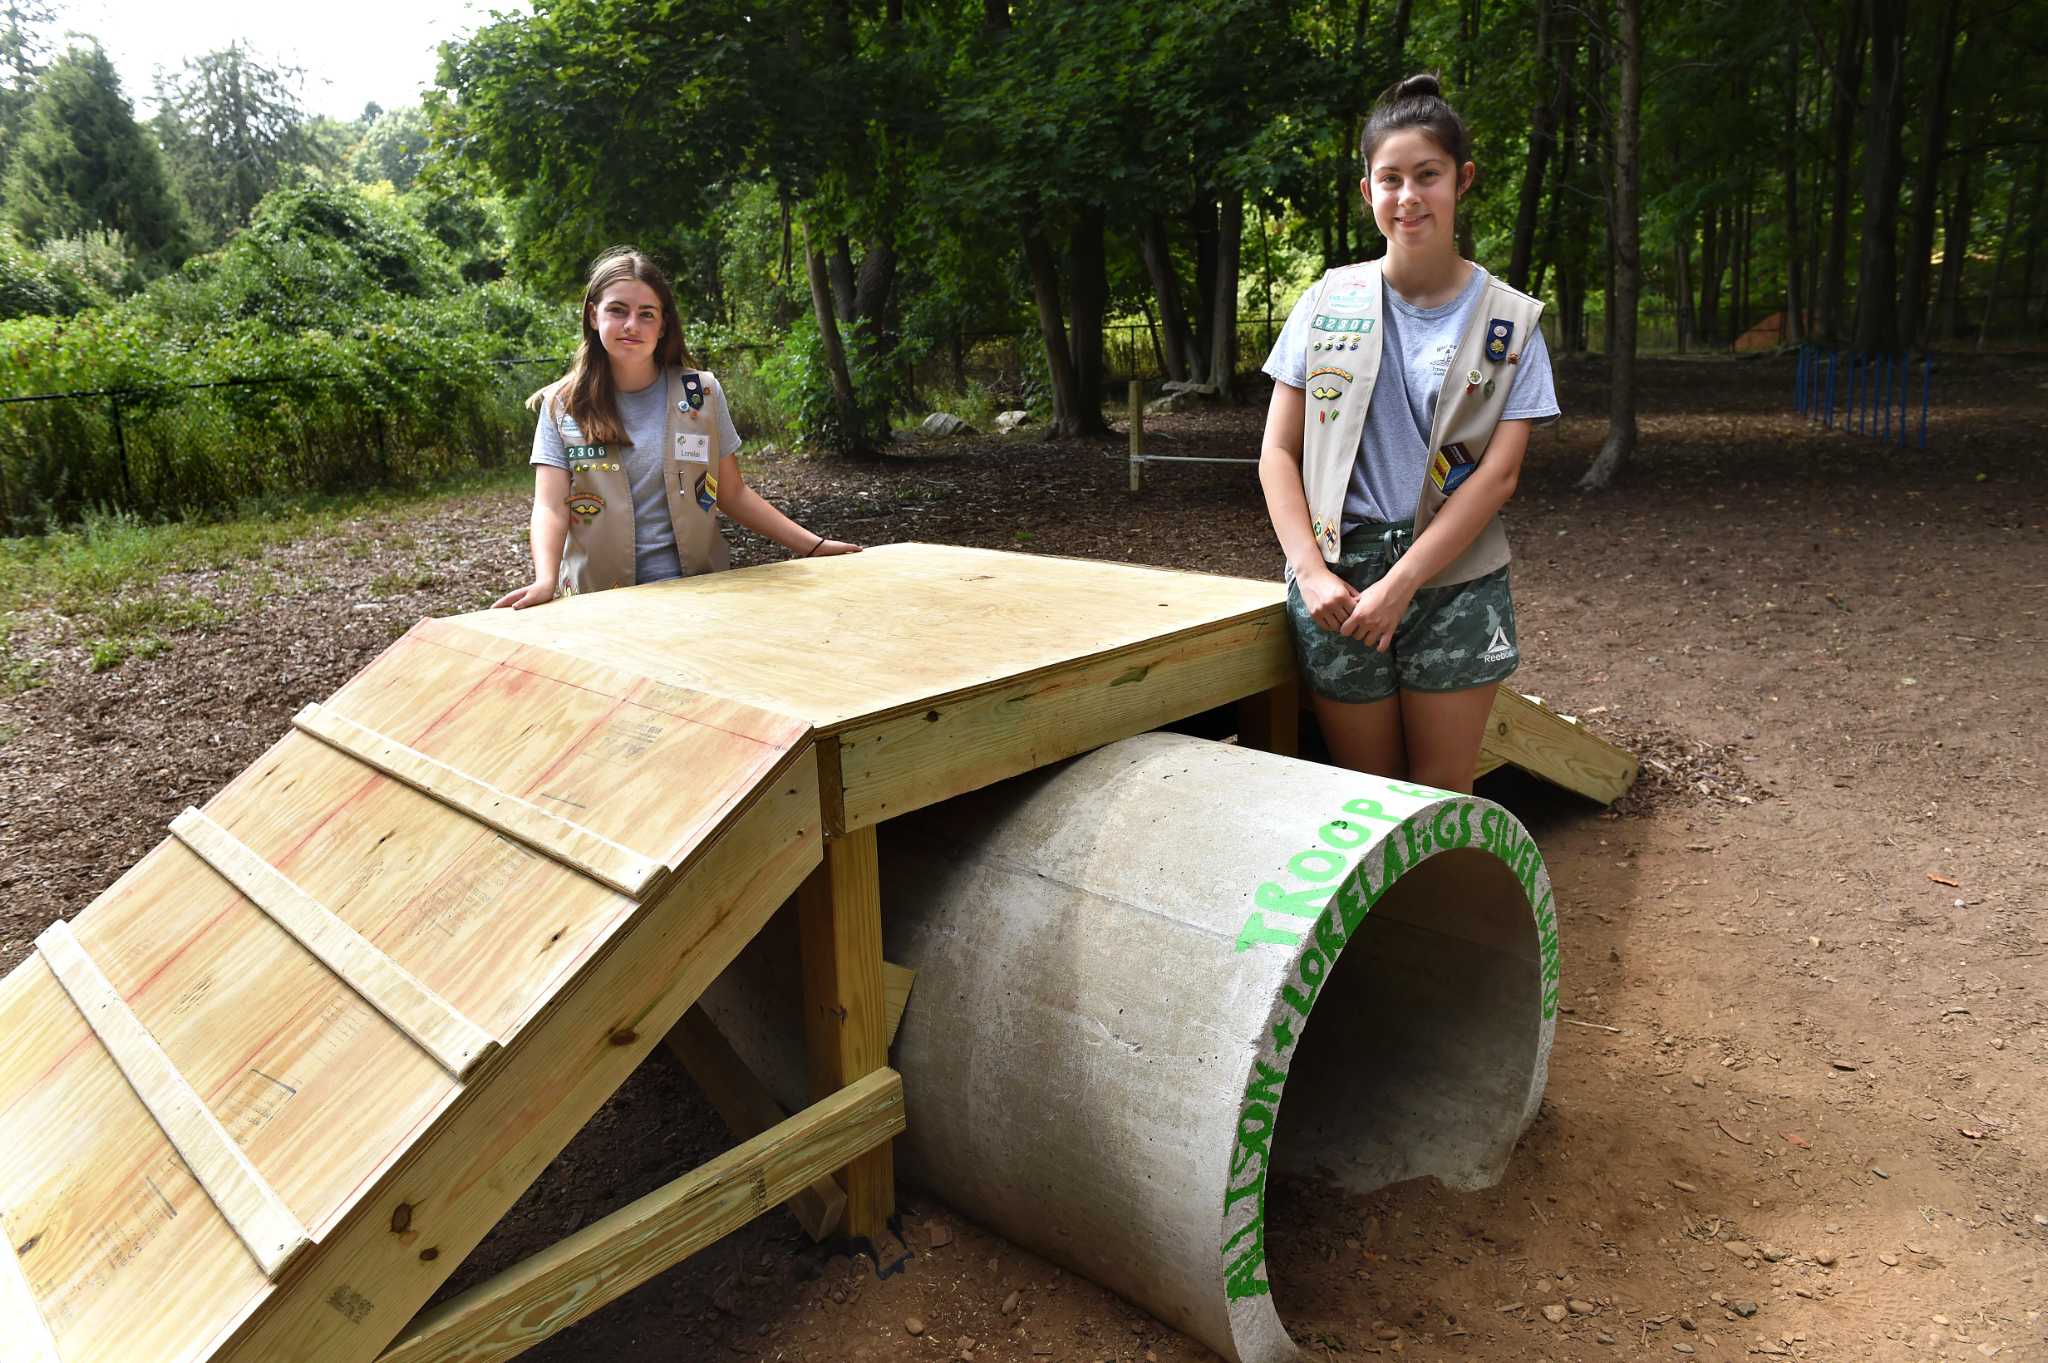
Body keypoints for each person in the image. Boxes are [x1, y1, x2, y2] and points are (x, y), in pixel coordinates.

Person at [1257, 73, 1560, 792]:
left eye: (1428, 175)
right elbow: (1277, 452)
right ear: (1368, 192)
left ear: (1463, 180)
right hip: (1338, 581)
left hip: (1453, 581)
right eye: (1389, 179)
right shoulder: (1326, 304)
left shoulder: (1508, 324)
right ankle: (1389, 912)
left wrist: (1404, 582)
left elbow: (1499, 474)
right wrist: (1310, 572)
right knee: (1366, 791)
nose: (1408, 196)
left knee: (1439, 792)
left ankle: (1437, 909)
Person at [496, 247, 857, 609]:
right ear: (593, 315)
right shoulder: (563, 404)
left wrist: (812, 545)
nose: (631, 325)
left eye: (646, 314)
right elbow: (551, 507)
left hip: (698, 592)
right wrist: (545, 579)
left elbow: (732, 494)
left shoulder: (701, 393)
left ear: (663, 324)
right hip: (599, 603)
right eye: (617, 310)